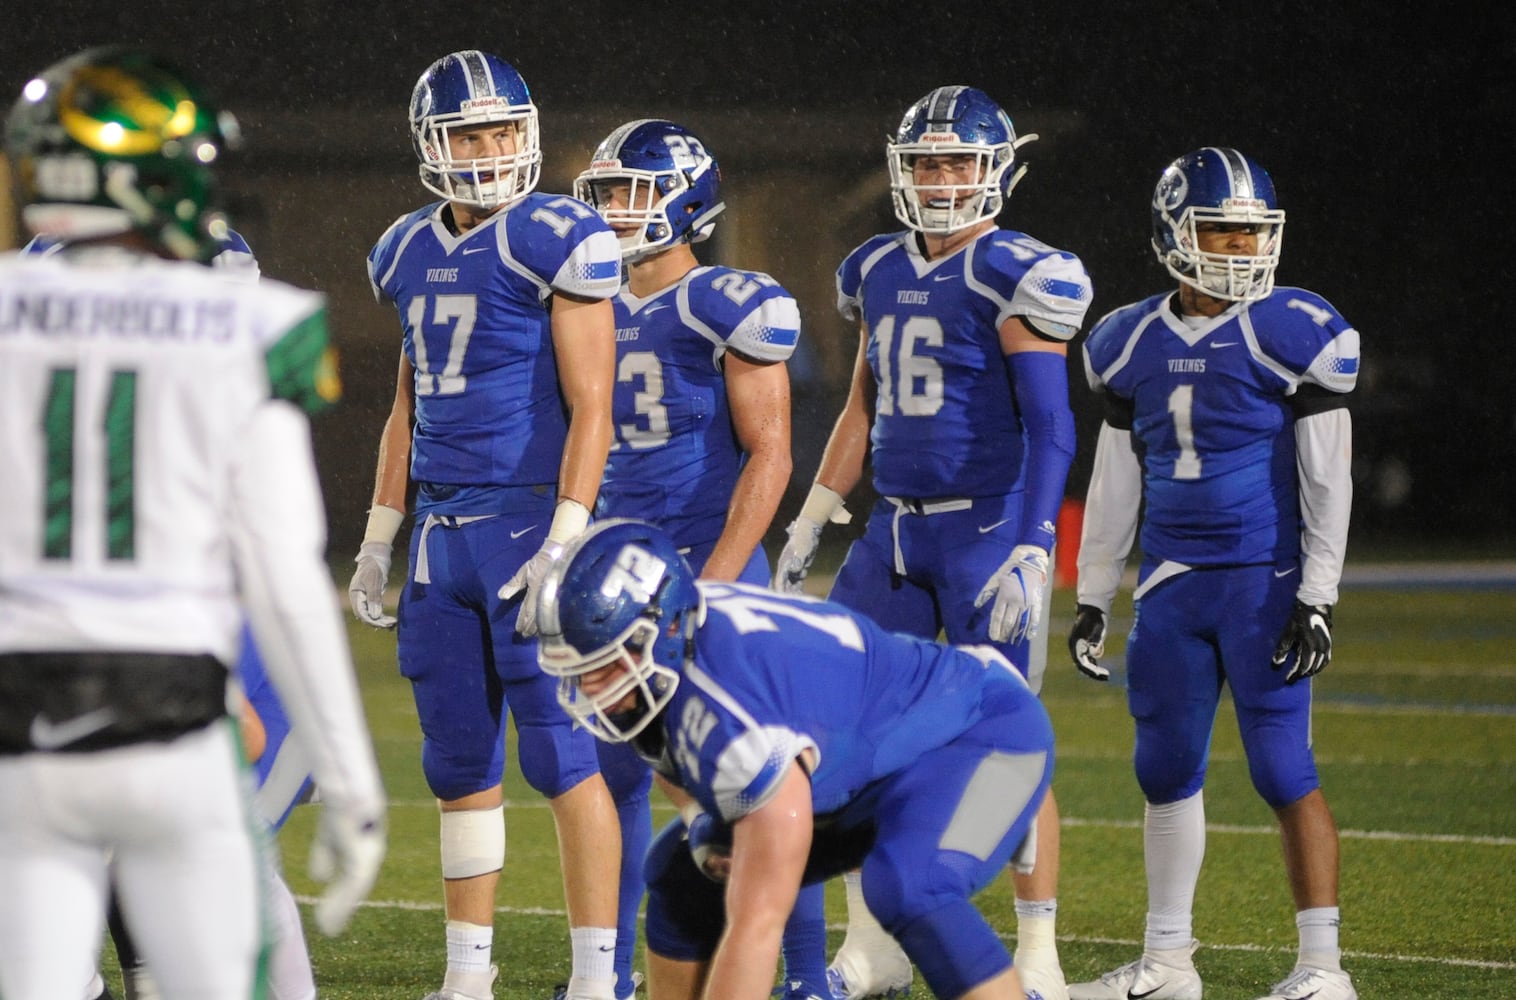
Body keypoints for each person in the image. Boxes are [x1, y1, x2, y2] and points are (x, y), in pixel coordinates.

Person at [0, 45, 386, 1000]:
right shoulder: (244, 324)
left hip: (19, 732)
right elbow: (285, 578)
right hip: (173, 725)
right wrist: (349, 781)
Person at [773, 85, 1091, 1000]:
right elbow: (863, 407)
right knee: (843, 728)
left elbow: (1051, 426)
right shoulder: (874, 265)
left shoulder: (1015, 272)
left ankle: (1036, 953)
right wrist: (812, 513)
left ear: (996, 171)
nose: (942, 179)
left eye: (959, 162)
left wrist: (1034, 545)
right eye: (927, 163)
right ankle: (875, 945)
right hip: (893, 533)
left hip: (986, 529)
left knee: (1005, 738)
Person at [346, 49, 622, 1000]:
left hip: (526, 526)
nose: (493, 148)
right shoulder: (405, 248)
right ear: (433, 143)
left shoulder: (554, 234)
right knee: (456, 763)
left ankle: (596, 977)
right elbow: (405, 408)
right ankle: (469, 976)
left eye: (505, 129)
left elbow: (595, 405)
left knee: (561, 754)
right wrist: (381, 535)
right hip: (440, 536)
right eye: (472, 132)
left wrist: (569, 532)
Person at [536, 519, 1055, 1000]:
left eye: (604, 666)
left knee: (908, 886)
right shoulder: (682, 645)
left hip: (982, 734)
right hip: (870, 768)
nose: (589, 689)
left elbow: (758, 926)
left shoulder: (733, 712)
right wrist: (702, 820)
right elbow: (678, 754)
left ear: (664, 631)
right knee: (681, 876)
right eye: (579, 671)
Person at [1066, 147, 1359, 1000]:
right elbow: (1115, 476)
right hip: (1170, 586)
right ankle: (1166, 963)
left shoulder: (1292, 328)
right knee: (1162, 770)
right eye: (1222, 232)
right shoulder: (1127, 341)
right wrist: (1092, 595)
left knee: (1282, 771)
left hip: (1262, 582)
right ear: (1174, 235)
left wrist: (1319, 595)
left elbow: (1327, 476)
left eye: (1253, 232)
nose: (1242, 250)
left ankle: (1321, 968)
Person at [571, 119, 828, 998]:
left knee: (754, 785)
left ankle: (805, 980)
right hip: (616, 569)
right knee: (613, 774)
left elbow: (773, 453)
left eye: (633, 191)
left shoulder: (723, 301)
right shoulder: (584, 298)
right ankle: (614, 971)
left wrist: (716, 575)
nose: (613, 209)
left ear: (686, 202)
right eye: (605, 191)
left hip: (705, 561)